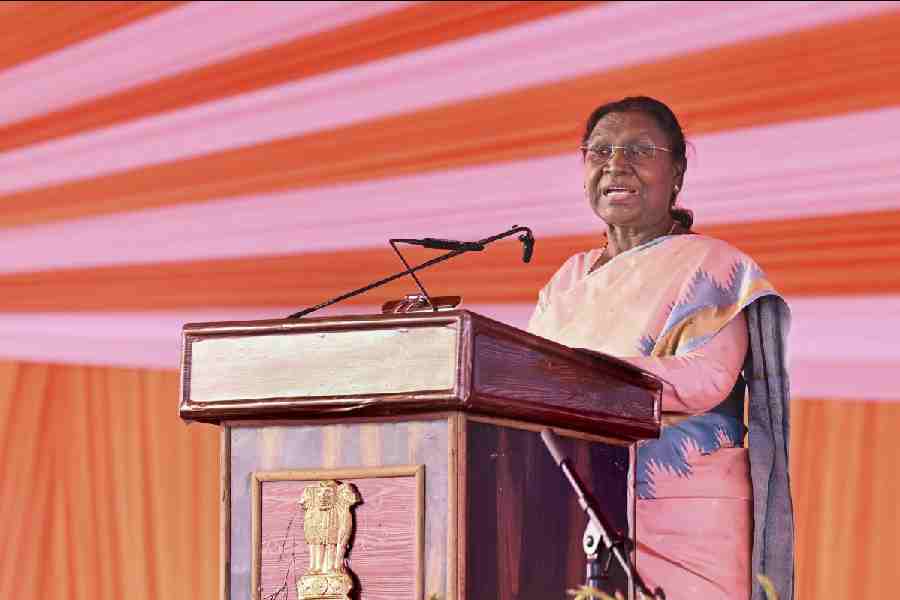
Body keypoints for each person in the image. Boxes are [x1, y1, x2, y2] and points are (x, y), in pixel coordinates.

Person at [527, 97, 794, 600]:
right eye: (599, 150)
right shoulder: (567, 279)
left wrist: (578, 373)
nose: (615, 164)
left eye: (638, 150)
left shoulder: (713, 263)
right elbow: (519, 380)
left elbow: (704, 378)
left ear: (677, 174)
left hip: (678, 511)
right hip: (573, 507)